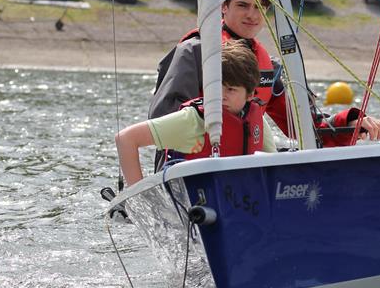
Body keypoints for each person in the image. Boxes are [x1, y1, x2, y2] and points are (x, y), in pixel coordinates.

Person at [148, 0, 380, 147]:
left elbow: (306, 127)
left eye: (260, 7)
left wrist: (352, 123)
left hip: (241, 170)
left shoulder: (267, 69)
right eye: (243, 5)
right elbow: (162, 118)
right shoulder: (195, 51)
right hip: (193, 168)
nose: (252, 15)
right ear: (224, 5)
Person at [116, 40, 277, 186]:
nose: (220, 95)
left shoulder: (256, 121)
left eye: (231, 89)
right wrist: (139, 198)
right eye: (215, 86)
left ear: (250, 95)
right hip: (191, 206)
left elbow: (275, 167)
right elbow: (125, 139)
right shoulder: (194, 120)